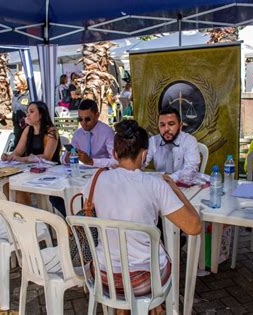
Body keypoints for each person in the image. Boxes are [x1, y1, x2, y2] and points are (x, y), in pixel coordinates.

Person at [82, 119, 201, 301]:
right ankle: (152, 306)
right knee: (165, 256)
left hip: (102, 275)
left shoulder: (95, 180)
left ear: (114, 153)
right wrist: (176, 190)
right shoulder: (155, 185)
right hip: (142, 280)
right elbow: (194, 227)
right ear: (144, 154)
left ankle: (123, 309)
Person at [2, 101, 61, 205]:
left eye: (32, 111)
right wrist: (8, 156)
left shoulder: (51, 131)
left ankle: (27, 214)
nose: (28, 114)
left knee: (19, 185)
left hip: (50, 172)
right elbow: (17, 152)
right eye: (27, 112)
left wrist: (22, 159)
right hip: (32, 170)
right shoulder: (28, 129)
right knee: (8, 184)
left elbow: (46, 157)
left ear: (41, 114)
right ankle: (17, 215)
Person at [145, 107, 200, 181]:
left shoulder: (189, 141)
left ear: (180, 126)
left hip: (182, 185)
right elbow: (142, 162)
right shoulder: (153, 141)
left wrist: (170, 178)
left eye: (171, 124)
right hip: (160, 185)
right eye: (162, 125)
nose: (166, 129)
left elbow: (191, 169)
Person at [64, 99, 116, 168]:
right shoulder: (78, 134)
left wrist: (92, 161)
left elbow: (116, 161)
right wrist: (66, 159)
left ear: (97, 115)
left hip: (103, 172)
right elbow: (64, 158)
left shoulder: (107, 132)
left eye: (87, 119)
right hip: (83, 173)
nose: (83, 123)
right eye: (80, 119)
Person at [0, 71, 30, 148]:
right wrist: (4, 117)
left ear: (23, 81)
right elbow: (14, 113)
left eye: (16, 80)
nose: (13, 82)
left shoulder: (30, 96)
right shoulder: (15, 96)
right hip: (17, 131)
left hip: (27, 132)